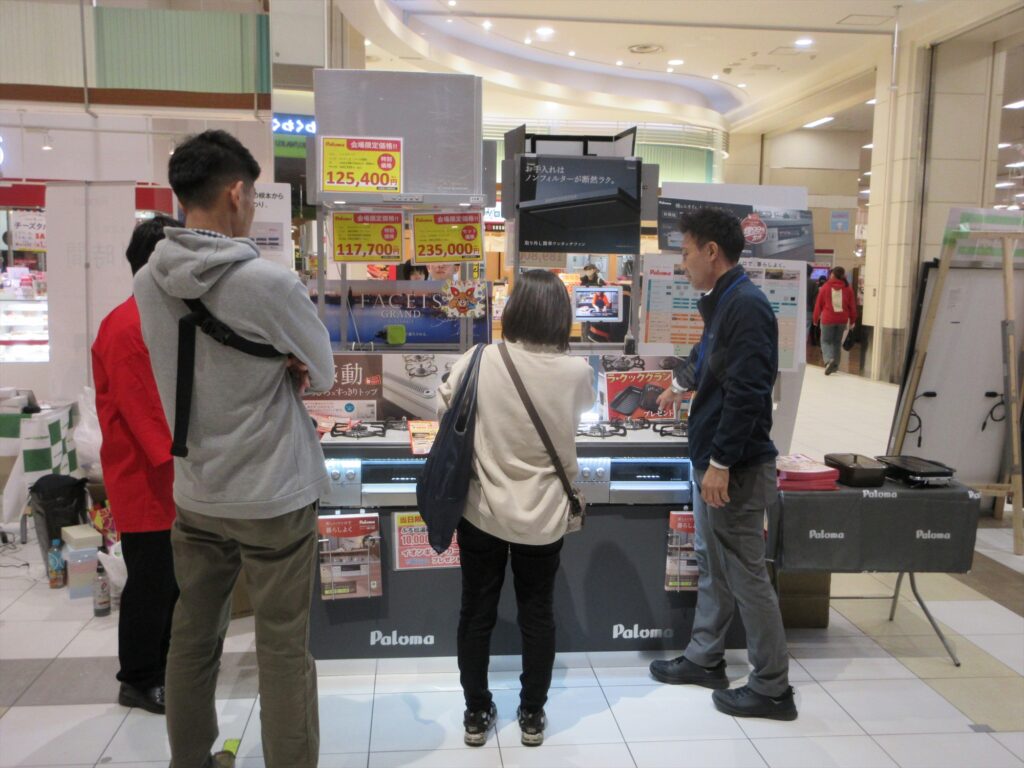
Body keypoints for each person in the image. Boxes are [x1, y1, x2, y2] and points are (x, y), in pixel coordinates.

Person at [134, 130, 335, 768]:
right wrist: (287, 365)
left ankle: (191, 759)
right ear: (236, 193)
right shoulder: (268, 284)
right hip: (273, 493)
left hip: (197, 490)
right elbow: (323, 372)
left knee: (193, 636)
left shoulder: (146, 281)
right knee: (282, 646)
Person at [650, 207, 796, 722]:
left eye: (686, 251)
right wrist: (679, 384)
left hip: (736, 468)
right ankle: (705, 657)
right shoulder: (724, 301)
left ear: (712, 251)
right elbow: (709, 356)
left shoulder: (747, 305)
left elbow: (750, 391)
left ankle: (772, 687)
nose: (682, 262)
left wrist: (721, 462)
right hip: (713, 460)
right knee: (711, 563)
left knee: (746, 574)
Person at [439, 270, 595, 748]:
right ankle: (531, 714)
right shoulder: (576, 372)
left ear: (513, 310)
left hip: (482, 509)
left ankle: (475, 712)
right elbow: (582, 411)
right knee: (538, 614)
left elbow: (445, 407)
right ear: (561, 316)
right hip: (544, 517)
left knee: (476, 612)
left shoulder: (479, 358)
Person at [91, 215, 180, 716]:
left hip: (167, 479)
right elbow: (149, 418)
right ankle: (139, 679)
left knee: (169, 581)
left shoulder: (155, 319)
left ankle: (162, 667)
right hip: (146, 481)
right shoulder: (129, 326)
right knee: (151, 583)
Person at [813, 266, 856, 375]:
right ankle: (835, 366)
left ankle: (828, 361)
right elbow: (852, 306)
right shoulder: (848, 288)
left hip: (828, 319)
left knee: (825, 341)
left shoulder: (826, 287)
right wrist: (852, 321)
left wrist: (815, 319)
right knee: (837, 342)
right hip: (842, 319)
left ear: (832, 275)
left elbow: (818, 304)